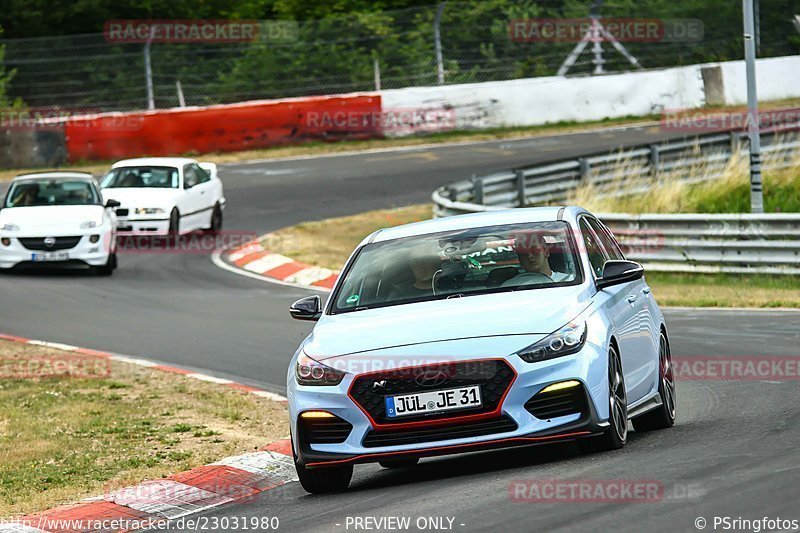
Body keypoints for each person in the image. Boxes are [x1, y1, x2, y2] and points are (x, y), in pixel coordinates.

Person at [503, 232, 570, 285]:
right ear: (520, 260)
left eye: (534, 249)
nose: (529, 256)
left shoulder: (568, 281)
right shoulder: (511, 286)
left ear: (546, 252)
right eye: (523, 253)